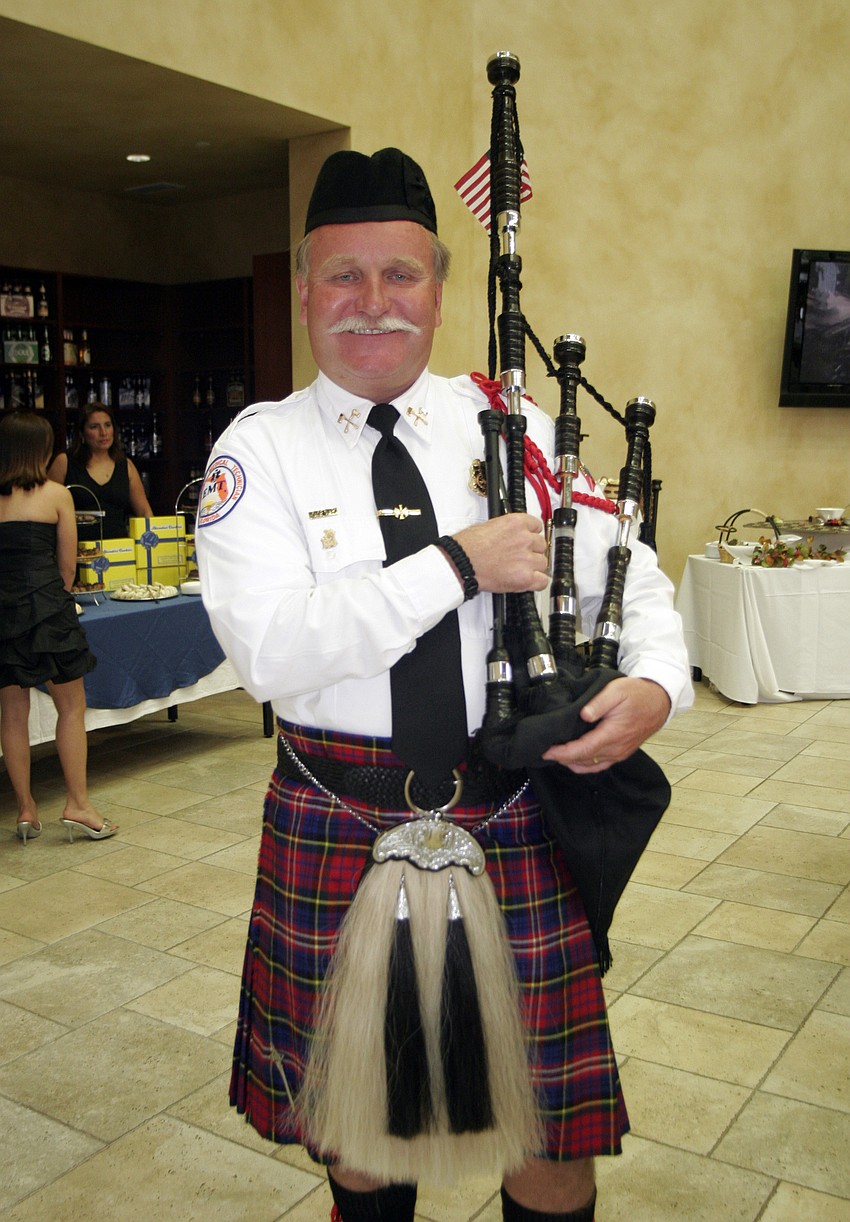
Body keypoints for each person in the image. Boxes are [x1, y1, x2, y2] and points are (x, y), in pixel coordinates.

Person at [196, 148, 693, 1222]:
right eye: (343, 274)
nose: (372, 301)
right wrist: (457, 563)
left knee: (551, 1142)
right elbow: (270, 654)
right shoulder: (259, 452)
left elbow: (626, 568)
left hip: (510, 815)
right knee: (363, 1145)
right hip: (340, 818)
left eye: (401, 274)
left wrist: (657, 679)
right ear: (303, 288)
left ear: (439, 288)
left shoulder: (511, 426)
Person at [0, 411, 117, 843]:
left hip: (3, 612)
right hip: (48, 606)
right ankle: (78, 804)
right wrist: (53, 598)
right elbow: (68, 567)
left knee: (12, 713)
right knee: (71, 707)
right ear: (43, 449)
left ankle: (26, 810)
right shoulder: (56, 495)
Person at [47, 400, 152, 540]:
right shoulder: (64, 462)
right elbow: (47, 508)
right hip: (77, 547)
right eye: (94, 427)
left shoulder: (126, 465)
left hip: (120, 548)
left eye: (107, 425)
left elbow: (144, 512)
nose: (103, 432)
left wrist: (150, 542)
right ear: (82, 434)